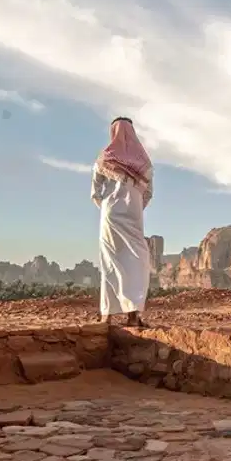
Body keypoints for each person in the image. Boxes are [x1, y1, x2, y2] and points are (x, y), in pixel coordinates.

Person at [91, 116, 153, 326]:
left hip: (110, 215)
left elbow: (95, 192)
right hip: (134, 216)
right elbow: (148, 194)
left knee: (111, 261)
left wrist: (108, 208)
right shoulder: (144, 164)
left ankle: (107, 316)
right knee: (138, 261)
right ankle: (133, 316)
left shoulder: (104, 160)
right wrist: (133, 205)